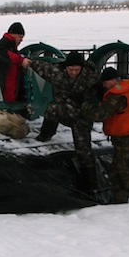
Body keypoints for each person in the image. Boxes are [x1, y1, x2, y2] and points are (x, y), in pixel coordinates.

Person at [30, 50, 100, 190]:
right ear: (66, 67)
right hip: (63, 110)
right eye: (71, 69)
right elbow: (40, 66)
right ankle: (46, 134)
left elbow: (106, 89)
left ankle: (91, 184)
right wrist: (27, 62)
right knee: (52, 109)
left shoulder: (91, 76)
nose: (73, 72)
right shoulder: (56, 72)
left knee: (84, 150)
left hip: (81, 117)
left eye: (77, 69)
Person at [81, 67, 129, 204]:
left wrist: (84, 104)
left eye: (105, 83)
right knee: (116, 171)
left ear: (112, 81)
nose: (104, 86)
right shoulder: (128, 88)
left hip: (128, 139)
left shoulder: (117, 96)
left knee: (127, 173)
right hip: (124, 137)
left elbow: (100, 114)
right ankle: (120, 199)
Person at [0, 22, 31, 102]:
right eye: (19, 36)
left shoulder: (12, 46)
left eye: (22, 37)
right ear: (12, 34)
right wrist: (21, 60)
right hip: (5, 94)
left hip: (11, 94)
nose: (21, 40)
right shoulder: (3, 44)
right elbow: (2, 54)